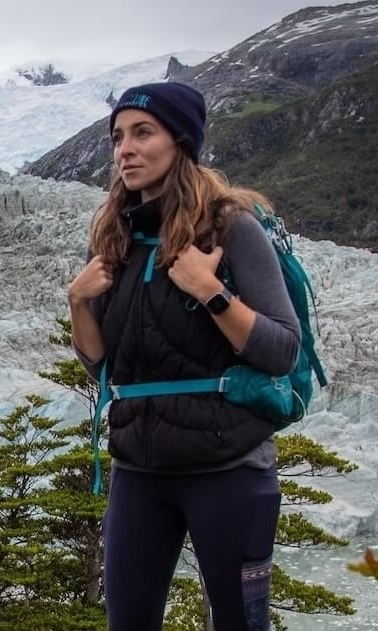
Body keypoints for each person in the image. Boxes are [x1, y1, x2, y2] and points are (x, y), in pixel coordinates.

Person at [67, 82, 301, 630]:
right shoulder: (113, 238)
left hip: (228, 469)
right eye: (118, 136)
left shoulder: (231, 229)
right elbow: (106, 368)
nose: (125, 149)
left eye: (142, 133)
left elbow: (282, 350)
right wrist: (79, 301)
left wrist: (210, 291)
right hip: (138, 470)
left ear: (182, 142)